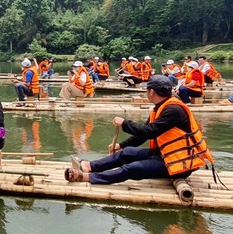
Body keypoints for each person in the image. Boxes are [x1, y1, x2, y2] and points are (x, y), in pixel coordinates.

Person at [64, 75, 213, 184]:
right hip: (165, 155)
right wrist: (121, 146)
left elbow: (149, 132)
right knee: (127, 152)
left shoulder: (173, 110)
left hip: (180, 163)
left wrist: (124, 123)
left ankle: (87, 177)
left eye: (147, 91)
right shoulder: (162, 107)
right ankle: (89, 166)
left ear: (152, 92)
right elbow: (144, 135)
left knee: (132, 168)